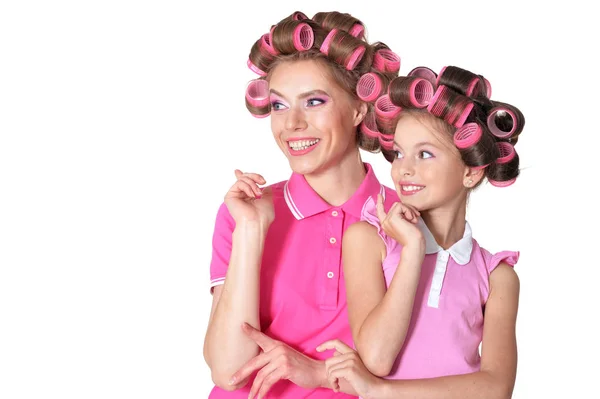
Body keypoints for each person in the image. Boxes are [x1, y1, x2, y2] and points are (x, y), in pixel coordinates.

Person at [203, 10, 403, 398]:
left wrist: (319, 372)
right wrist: (251, 231)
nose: (291, 124)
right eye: (279, 106)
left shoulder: (404, 217)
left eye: (313, 101)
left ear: (359, 109)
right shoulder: (244, 212)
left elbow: (425, 364)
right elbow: (228, 371)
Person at [317, 65, 523, 399]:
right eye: (399, 153)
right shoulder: (369, 241)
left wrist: (381, 392)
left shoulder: (496, 276)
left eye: (424, 154)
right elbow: (377, 357)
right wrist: (413, 248)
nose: (404, 168)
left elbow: (495, 388)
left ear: (470, 172)